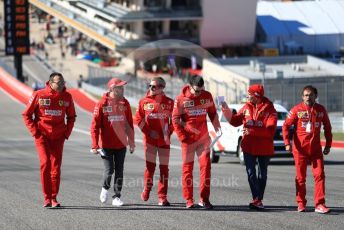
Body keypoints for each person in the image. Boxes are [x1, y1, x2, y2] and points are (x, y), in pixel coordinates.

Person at [22, 72, 76, 208]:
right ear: (51, 83)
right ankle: (46, 198)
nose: (62, 84)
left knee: (56, 168)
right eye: (59, 82)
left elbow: (71, 117)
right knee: (45, 163)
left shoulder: (67, 97)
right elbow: (26, 115)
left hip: (58, 138)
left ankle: (54, 198)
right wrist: (36, 133)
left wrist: (66, 134)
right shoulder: (39, 95)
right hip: (42, 136)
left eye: (63, 82)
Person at [221, 84, 277, 210]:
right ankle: (257, 199)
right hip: (248, 147)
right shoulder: (246, 107)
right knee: (251, 173)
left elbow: (270, 131)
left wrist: (252, 131)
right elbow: (235, 121)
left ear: (256, 96)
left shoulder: (270, 110)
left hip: (264, 147)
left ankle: (258, 199)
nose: (247, 96)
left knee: (262, 175)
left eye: (250, 94)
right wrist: (225, 109)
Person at [172, 75, 221, 209]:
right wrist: (183, 137)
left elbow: (212, 113)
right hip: (187, 140)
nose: (199, 93)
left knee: (206, 168)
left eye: (201, 90)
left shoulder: (207, 96)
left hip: (203, 139)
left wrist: (217, 126)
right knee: (187, 170)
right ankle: (188, 199)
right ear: (189, 86)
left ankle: (204, 199)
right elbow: (175, 120)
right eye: (196, 91)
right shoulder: (180, 99)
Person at [282, 85, 332, 214]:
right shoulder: (296, 110)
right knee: (300, 178)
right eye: (305, 95)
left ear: (316, 96)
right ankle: (301, 203)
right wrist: (287, 143)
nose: (308, 97)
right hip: (300, 150)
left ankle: (320, 204)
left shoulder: (321, 110)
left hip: (315, 150)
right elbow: (285, 126)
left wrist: (328, 145)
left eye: (310, 95)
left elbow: (327, 127)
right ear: (302, 97)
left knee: (320, 175)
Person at [90, 77, 135, 206]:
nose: (122, 89)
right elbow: (94, 126)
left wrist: (131, 142)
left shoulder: (125, 103)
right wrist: (95, 144)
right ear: (112, 88)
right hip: (106, 146)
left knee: (120, 170)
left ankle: (116, 196)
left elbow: (129, 125)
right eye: (119, 87)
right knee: (110, 170)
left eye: (122, 87)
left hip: (121, 145)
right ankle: (105, 188)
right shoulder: (101, 104)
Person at [136, 77, 174, 206]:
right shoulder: (143, 102)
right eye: (149, 85)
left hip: (164, 141)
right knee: (150, 168)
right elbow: (138, 120)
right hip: (150, 141)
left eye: (154, 86)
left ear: (162, 87)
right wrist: (148, 132)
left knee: (164, 169)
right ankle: (147, 189)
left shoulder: (170, 102)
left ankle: (162, 197)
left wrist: (169, 131)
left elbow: (173, 120)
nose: (150, 88)